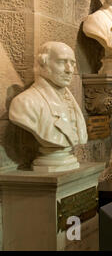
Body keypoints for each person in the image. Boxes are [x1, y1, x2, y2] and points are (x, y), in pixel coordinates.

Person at [9, 42, 87, 171]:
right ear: (43, 64)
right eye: (62, 62)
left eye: (72, 63)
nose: (69, 70)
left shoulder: (71, 99)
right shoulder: (25, 103)